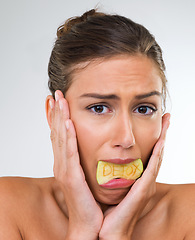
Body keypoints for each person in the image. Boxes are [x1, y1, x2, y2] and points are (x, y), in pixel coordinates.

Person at [0, 8, 194, 240]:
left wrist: (118, 234)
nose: (126, 139)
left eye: (143, 109)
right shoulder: (7, 207)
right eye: (99, 108)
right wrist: (82, 228)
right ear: (55, 116)